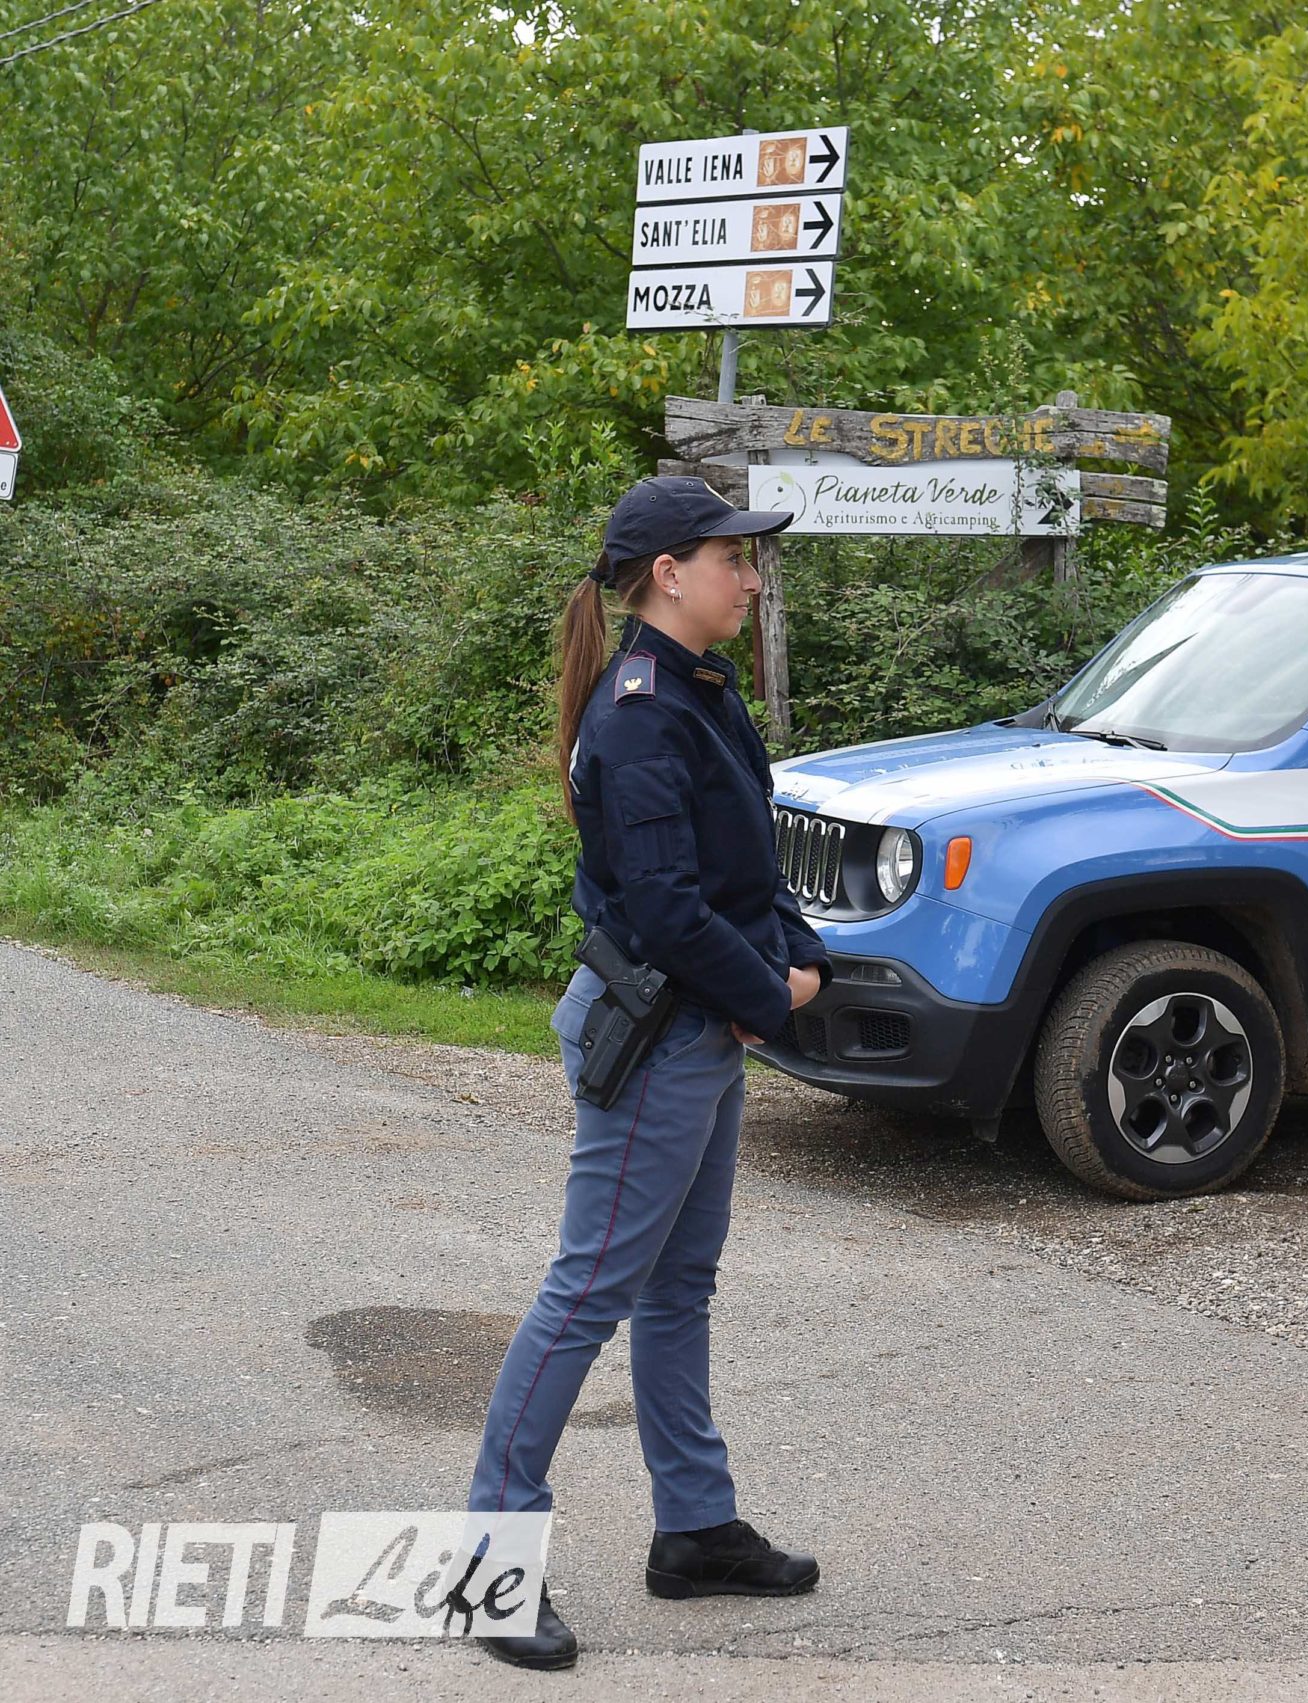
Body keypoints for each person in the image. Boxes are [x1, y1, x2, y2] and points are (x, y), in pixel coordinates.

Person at [467, 475, 833, 1672]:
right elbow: (668, 910)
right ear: (670, 573)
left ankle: (694, 1528)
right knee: (588, 1292)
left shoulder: (701, 692)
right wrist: (764, 994)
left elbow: (746, 864)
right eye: (735, 558)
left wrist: (797, 954)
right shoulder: (636, 714)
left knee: (680, 1284)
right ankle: (489, 1568)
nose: (752, 578)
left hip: (704, 1025)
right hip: (664, 1032)